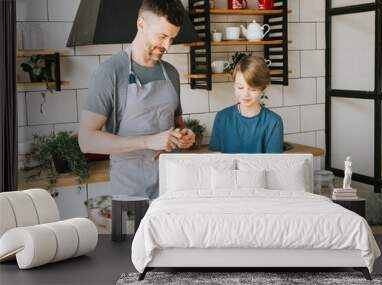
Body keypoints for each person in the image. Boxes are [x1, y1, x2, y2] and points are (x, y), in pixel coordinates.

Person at [78, 0, 195, 199]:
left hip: (171, 190)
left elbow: (177, 126)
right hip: (131, 193)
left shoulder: (171, 74)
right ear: (141, 24)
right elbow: (87, 141)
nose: (167, 45)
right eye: (162, 36)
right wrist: (149, 141)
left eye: (172, 39)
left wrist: (184, 137)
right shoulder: (111, 72)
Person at [209, 55, 283, 153]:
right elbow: (216, 159)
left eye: (253, 89)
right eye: (240, 87)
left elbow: (273, 164)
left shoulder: (274, 122)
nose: (245, 94)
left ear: (263, 89)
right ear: (234, 86)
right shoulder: (222, 118)